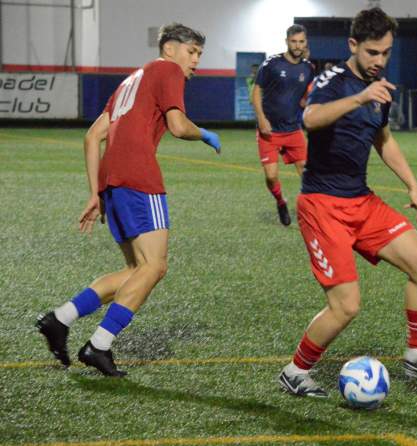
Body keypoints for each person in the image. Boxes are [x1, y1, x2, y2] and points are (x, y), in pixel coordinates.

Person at [278, 7, 417, 398]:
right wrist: (360, 97)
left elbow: (384, 140)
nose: (380, 60)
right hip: (322, 205)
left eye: (386, 53)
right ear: (353, 45)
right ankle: (295, 370)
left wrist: (413, 185)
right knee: (346, 306)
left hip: (361, 201)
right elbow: (311, 118)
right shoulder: (333, 79)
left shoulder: (380, 90)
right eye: (372, 52)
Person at [36, 23, 221, 377]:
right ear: (169, 48)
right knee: (155, 267)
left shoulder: (130, 82)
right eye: (191, 51)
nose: (196, 61)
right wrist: (204, 133)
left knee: (136, 270)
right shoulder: (167, 70)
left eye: (200, 54)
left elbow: (93, 136)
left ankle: (60, 319)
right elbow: (178, 125)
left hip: (113, 181)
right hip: (138, 177)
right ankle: (99, 345)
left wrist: (96, 192)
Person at [252, 24, 315, 226]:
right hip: (269, 132)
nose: (297, 45)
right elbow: (256, 92)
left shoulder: (309, 68)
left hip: (293, 130)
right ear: (287, 41)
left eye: (301, 42)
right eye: (294, 41)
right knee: (271, 177)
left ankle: (311, 211)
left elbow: (305, 97)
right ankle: (280, 201)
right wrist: (261, 118)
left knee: (307, 175)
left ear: (306, 43)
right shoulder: (271, 64)